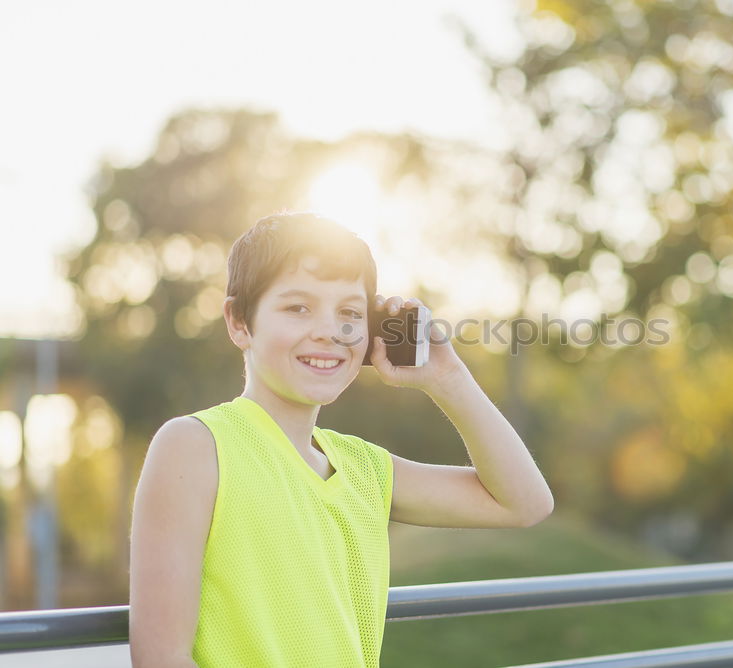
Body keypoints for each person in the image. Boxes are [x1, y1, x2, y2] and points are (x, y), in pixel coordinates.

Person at [128, 212, 555, 667]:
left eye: (350, 314)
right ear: (239, 322)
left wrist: (447, 377)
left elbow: (525, 503)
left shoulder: (364, 469)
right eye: (298, 308)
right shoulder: (195, 447)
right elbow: (161, 659)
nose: (330, 331)